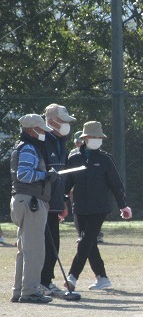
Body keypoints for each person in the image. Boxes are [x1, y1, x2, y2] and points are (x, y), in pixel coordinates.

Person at [64, 121, 132, 291]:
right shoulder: (74, 159)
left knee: (85, 240)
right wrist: (60, 204)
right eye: (93, 137)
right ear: (85, 139)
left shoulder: (106, 159)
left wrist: (123, 206)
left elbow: (116, 184)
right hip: (79, 208)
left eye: (99, 137)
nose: (97, 140)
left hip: (99, 209)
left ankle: (72, 277)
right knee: (89, 242)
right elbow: (66, 184)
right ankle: (102, 278)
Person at [9, 114, 57, 303]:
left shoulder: (20, 146)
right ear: (30, 130)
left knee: (24, 249)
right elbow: (25, 174)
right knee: (35, 249)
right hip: (31, 203)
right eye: (39, 129)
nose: (42, 133)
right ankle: (30, 291)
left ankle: (19, 290)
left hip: (22, 201)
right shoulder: (29, 148)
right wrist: (45, 175)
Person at [40, 103, 76, 298]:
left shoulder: (61, 142)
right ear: (51, 121)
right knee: (44, 244)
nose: (66, 125)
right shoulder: (43, 140)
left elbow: (61, 176)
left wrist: (62, 200)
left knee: (54, 244)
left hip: (54, 202)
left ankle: (47, 280)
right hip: (42, 202)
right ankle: (41, 282)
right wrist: (43, 198)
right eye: (63, 121)